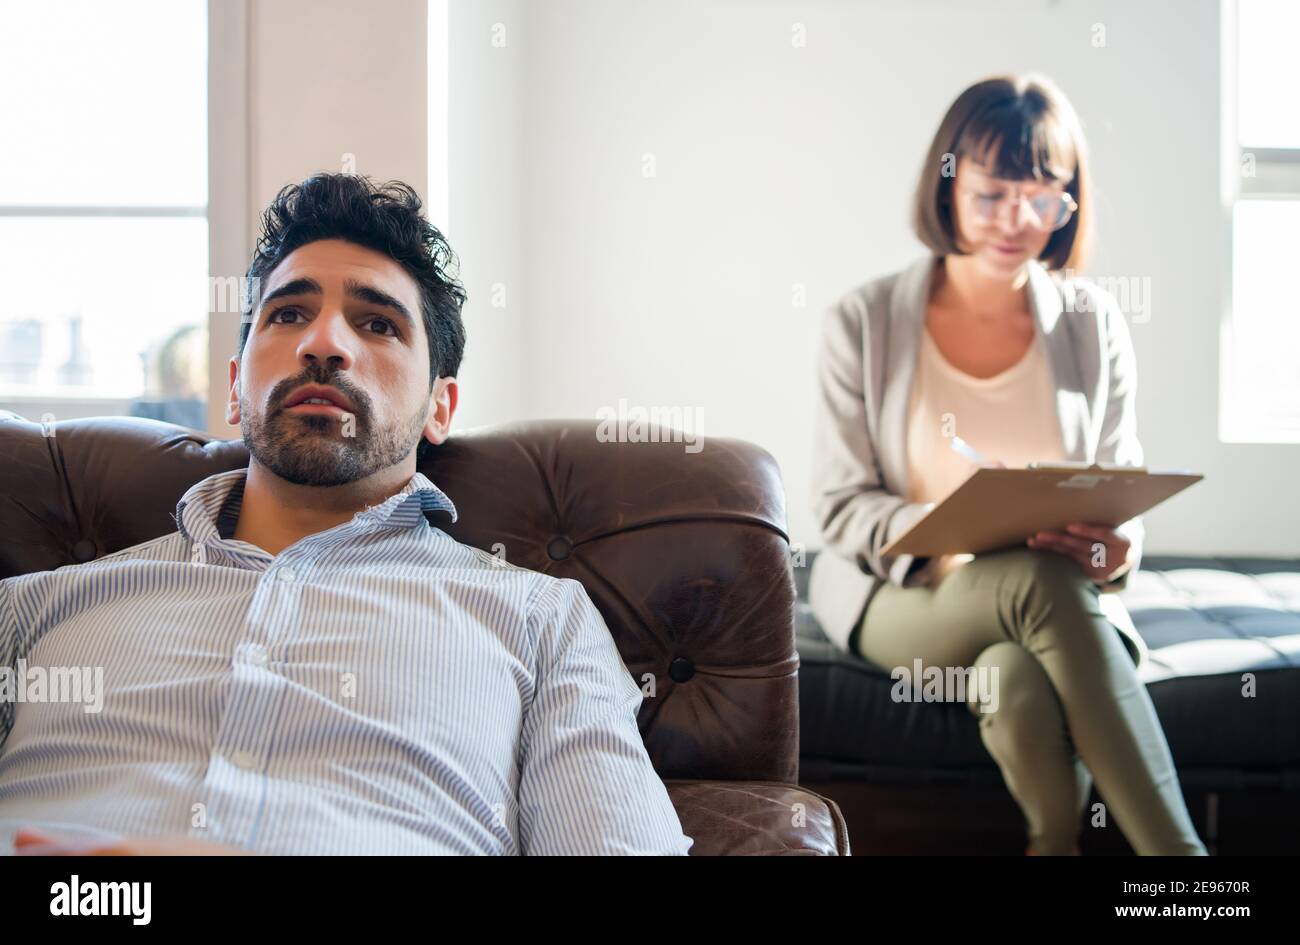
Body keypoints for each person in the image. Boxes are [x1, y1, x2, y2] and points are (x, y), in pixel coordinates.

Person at [0, 173, 692, 856]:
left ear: (440, 405)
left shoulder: (542, 624)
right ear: (237, 387)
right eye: (288, 314)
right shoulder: (31, 612)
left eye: (377, 323)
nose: (324, 343)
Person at [808, 74, 1206, 855]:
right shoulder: (862, 320)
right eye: (992, 195)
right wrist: (955, 531)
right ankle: (1185, 872)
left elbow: (1120, 489)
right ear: (948, 187)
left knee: (1014, 681)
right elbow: (839, 507)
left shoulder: (1093, 324)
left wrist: (1113, 551)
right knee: (1037, 581)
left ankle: (1051, 844)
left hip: (1046, 595)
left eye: (1042, 197)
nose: (1016, 221)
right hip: (902, 592)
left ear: (1069, 202)